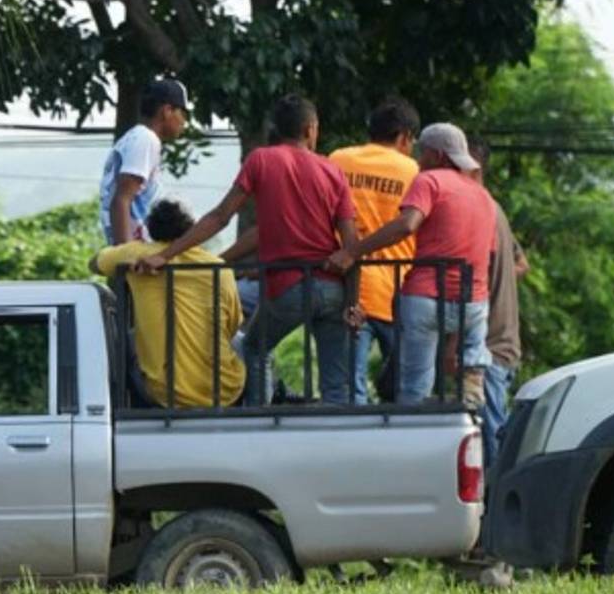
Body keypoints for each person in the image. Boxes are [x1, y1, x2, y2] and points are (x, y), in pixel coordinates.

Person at [136, 94, 358, 404]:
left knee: (254, 349)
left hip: (290, 286)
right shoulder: (332, 171)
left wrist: (166, 254)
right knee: (337, 386)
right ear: (311, 129)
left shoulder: (261, 160)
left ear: (277, 129)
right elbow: (351, 246)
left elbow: (220, 216)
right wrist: (353, 301)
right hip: (334, 286)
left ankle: (258, 424)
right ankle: (339, 446)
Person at [328, 123, 496, 407]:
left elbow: (407, 225)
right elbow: (488, 253)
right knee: (470, 392)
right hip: (474, 303)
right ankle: (468, 439)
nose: (418, 160)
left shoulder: (429, 181)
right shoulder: (484, 196)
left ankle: (411, 442)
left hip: (426, 297)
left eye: (423, 153)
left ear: (437, 154)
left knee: (415, 386)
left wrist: (354, 251)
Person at [90, 198, 245, 408]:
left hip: (165, 394)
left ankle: (126, 408)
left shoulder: (137, 255)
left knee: (129, 338)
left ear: (151, 229)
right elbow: (232, 326)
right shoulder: (220, 269)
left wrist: (125, 263)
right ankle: (259, 403)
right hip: (224, 391)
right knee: (247, 342)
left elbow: (94, 264)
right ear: (192, 230)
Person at [329, 97, 421, 404]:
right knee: (407, 388)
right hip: (398, 292)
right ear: (405, 137)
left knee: (350, 390)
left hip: (349, 288)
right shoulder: (413, 171)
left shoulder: (338, 160)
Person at [468, 137, 529, 470]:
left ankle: (497, 506)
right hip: (502, 341)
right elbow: (521, 264)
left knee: (492, 434)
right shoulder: (494, 208)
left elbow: (493, 262)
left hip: (491, 345)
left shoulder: (480, 210)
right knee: (490, 429)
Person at [98, 79, 190, 245]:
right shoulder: (145, 139)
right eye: (183, 113)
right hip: (135, 248)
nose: (184, 121)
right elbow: (122, 199)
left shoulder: (137, 137)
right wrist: (125, 254)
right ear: (167, 111)